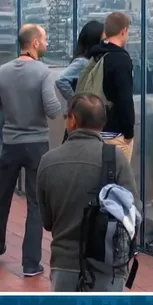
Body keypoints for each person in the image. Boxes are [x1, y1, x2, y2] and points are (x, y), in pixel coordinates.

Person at [37, 93, 142, 292]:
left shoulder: (49, 161)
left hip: (64, 266)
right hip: (108, 267)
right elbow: (134, 211)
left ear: (73, 120)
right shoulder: (116, 159)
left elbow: (47, 221)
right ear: (102, 122)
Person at [0, 24, 61, 276]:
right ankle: (30, 263)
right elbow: (53, 109)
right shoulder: (43, 72)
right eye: (44, 39)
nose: (46, 44)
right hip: (37, 145)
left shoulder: (2, 71)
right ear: (35, 43)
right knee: (35, 204)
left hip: (10, 143)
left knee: (2, 198)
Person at [88, 12, 135, 162]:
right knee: (117, 182)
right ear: (124, 31)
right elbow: (124, 99)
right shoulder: (121, 59)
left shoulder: (96, 55)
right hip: (115, 134)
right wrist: (129, 133)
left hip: (94, 130)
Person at [55, 20, 105, 142]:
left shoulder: (88, 60)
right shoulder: (83, 62)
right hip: (81, 118)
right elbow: (61, 80)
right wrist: (76, 100)